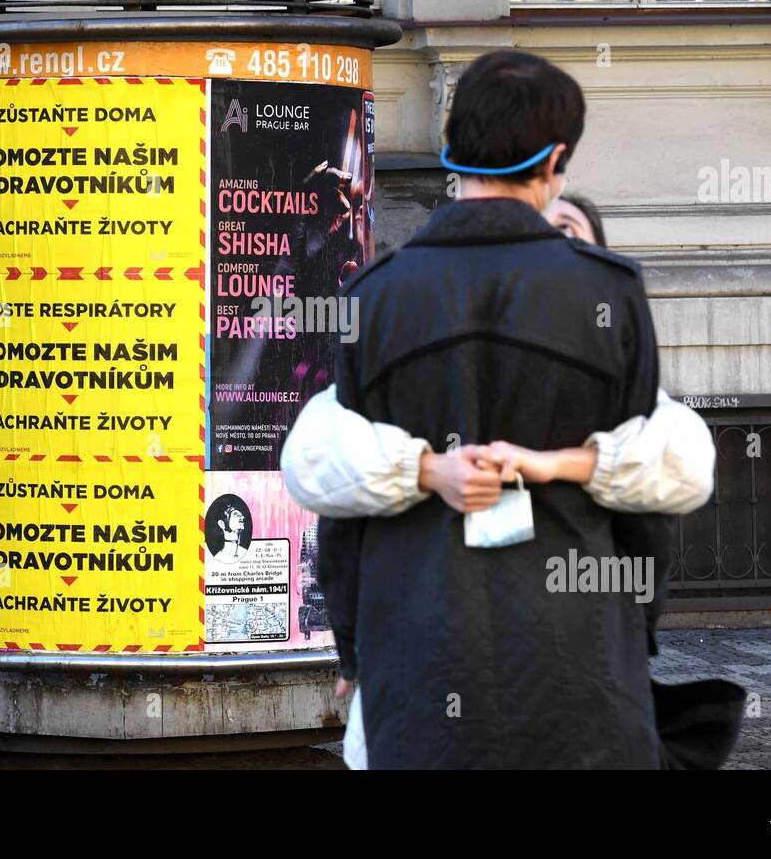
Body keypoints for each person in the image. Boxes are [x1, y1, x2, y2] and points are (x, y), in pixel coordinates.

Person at [310, 50, 679, 769]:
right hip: (579, 666)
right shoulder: (609, 291)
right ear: (556, 160)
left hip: (418, 661)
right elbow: (642, 499)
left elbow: (345, 506)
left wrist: (353, 648)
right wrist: (637, 629)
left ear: (455, 147)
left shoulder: (374, 295)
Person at [281, 195, 718, 770]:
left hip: (569, 685)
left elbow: (683, 463)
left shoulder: (609, 379)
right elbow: (315, 461)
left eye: (563, 232)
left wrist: (560, 462)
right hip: (425, 678)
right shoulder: (414, 347)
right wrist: (427, 471)